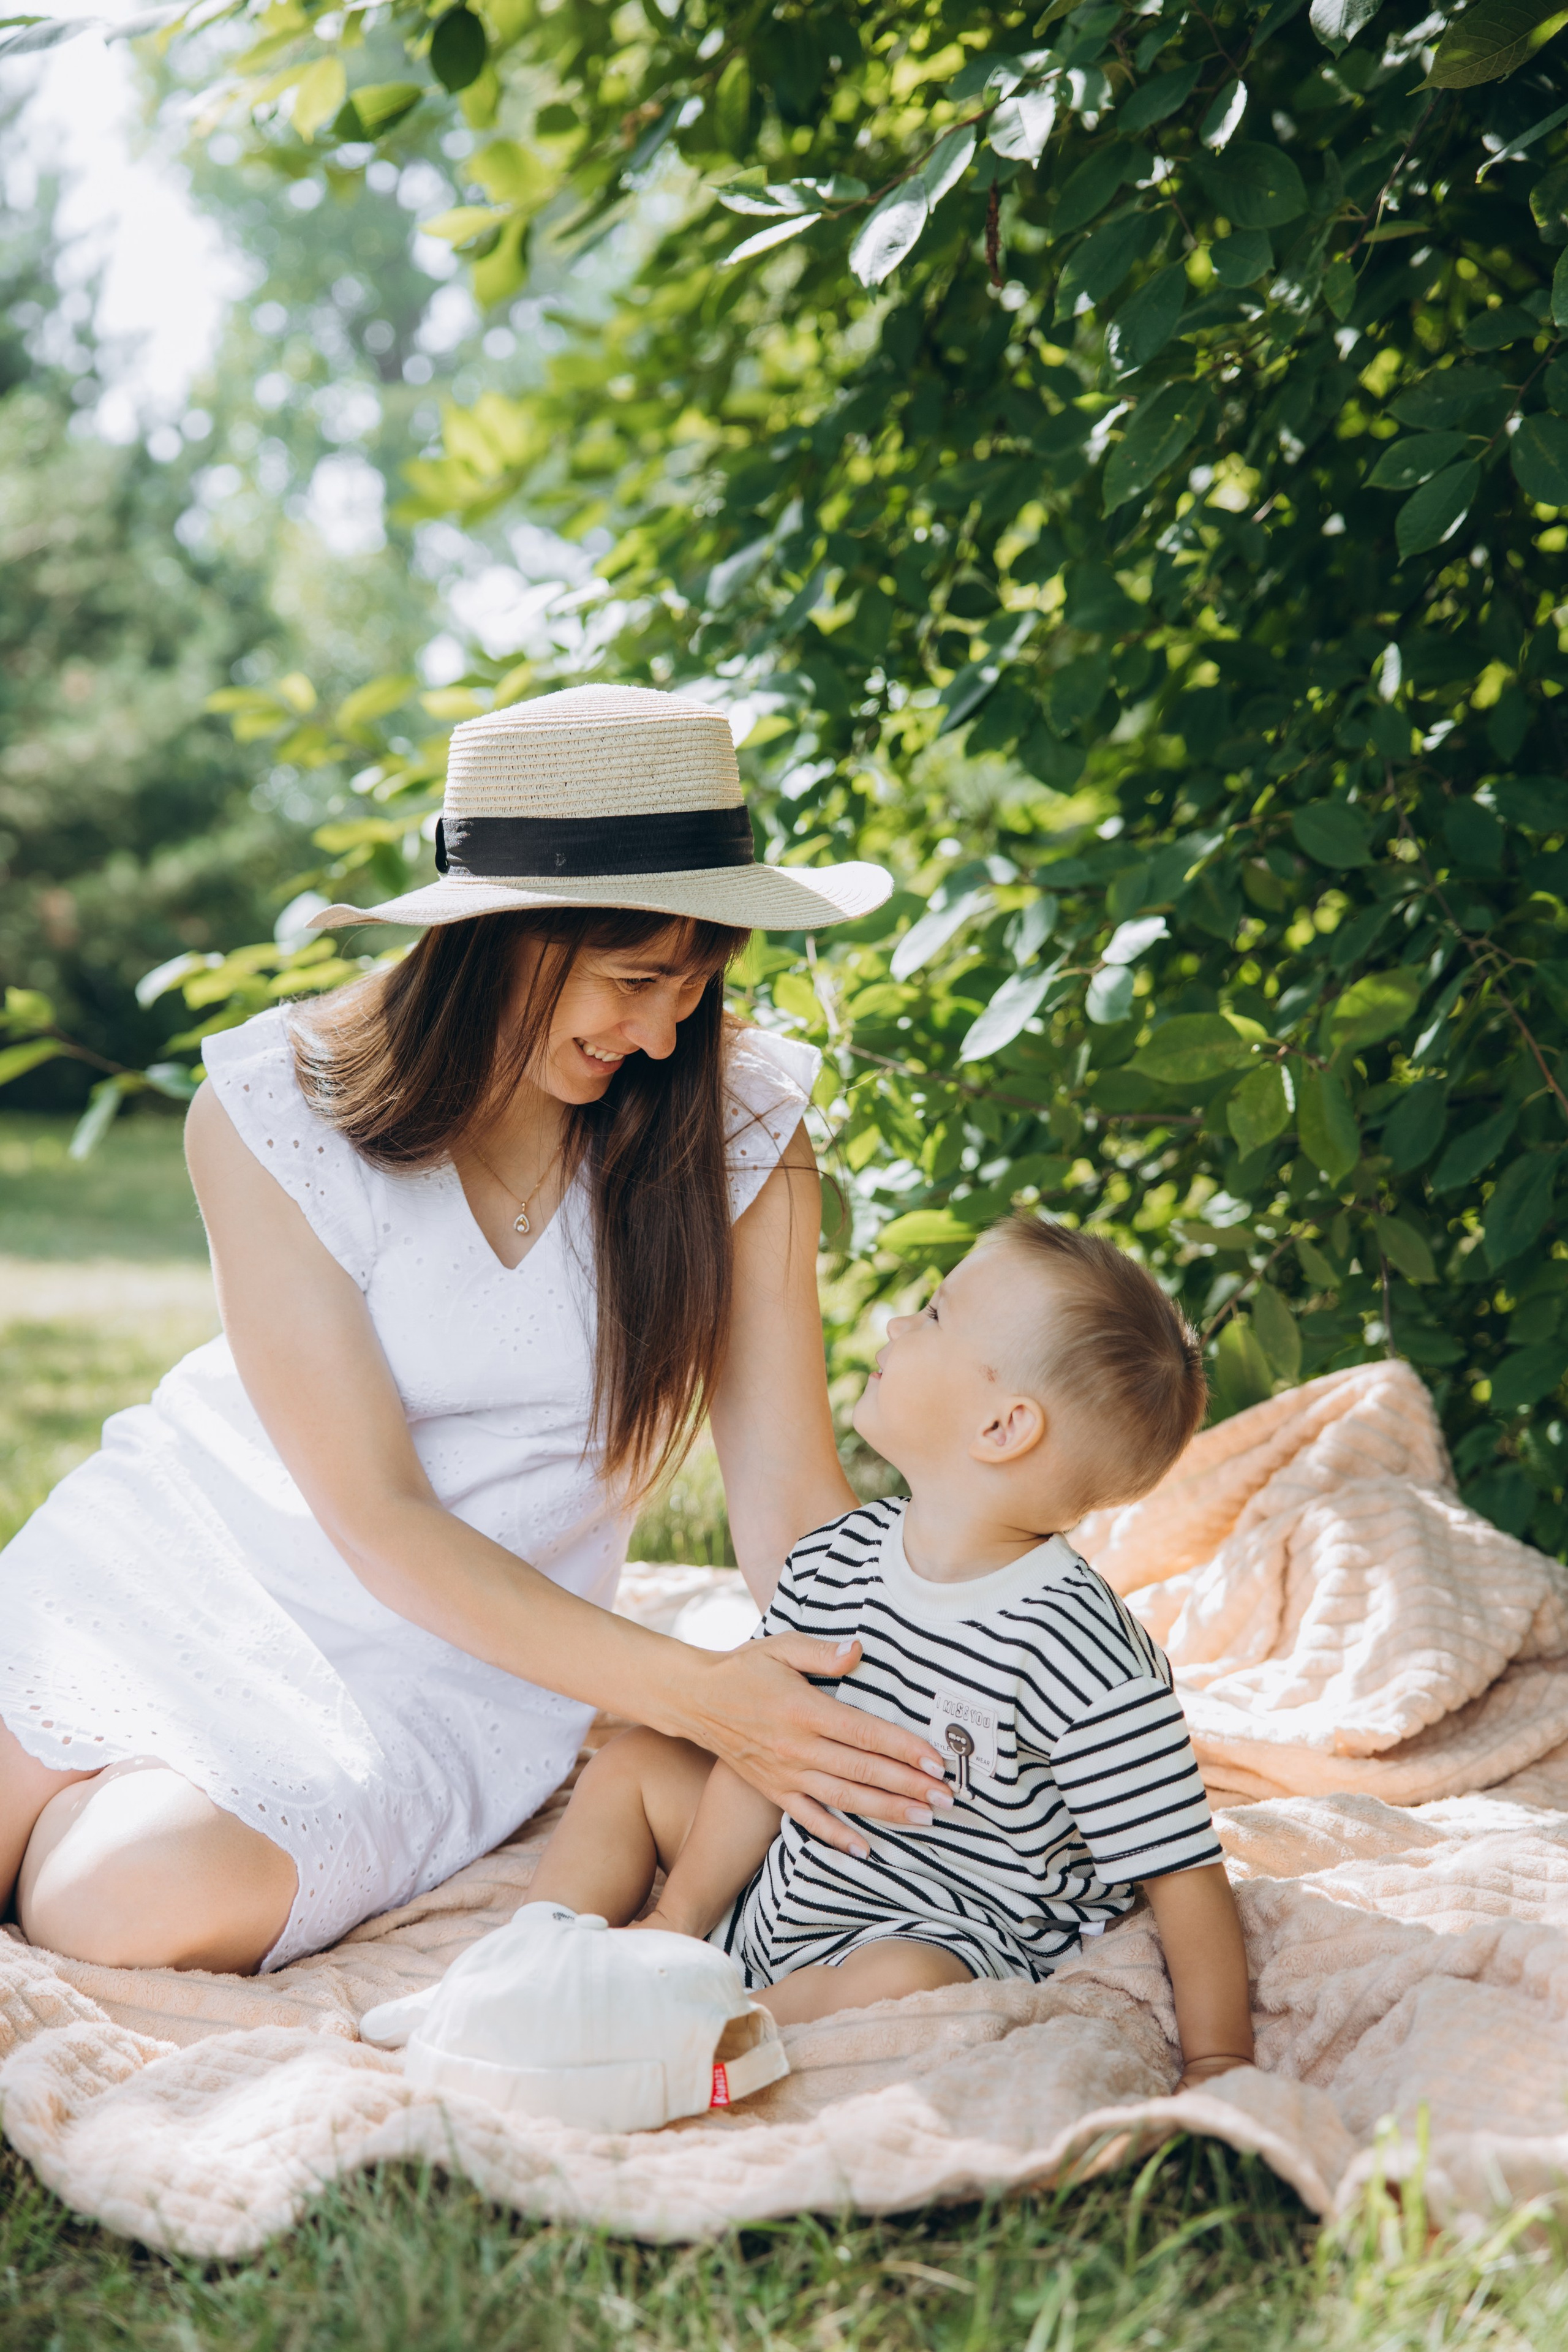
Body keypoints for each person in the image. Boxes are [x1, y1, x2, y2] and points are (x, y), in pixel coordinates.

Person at [0, 684, 959, 1977]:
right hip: (175, 1562)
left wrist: (918, 1684)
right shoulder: (270, 1114)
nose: (664, 1029)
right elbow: (377, 1517)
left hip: (445, 1674)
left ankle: (93, 1819)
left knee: (117, 1903)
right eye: (632, 978)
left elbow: (786, 1485)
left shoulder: (738, 1128)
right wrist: (700, 1696)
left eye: (692, 983)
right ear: (496, 937)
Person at [524, 1216, 1256, 2092]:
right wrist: (682, 1912)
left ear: (1004, 1426)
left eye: (936, 1317)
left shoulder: (1082, 1653)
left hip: (928, 1924)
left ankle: (702, 2021)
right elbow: (768, 1752)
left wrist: (1219, 2063)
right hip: (785, 1867)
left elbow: (1183, 1878)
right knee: (636, 1764)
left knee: (903, 1983)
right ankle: (537, 1957)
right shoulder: (837, 1558)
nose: (897, 1327)